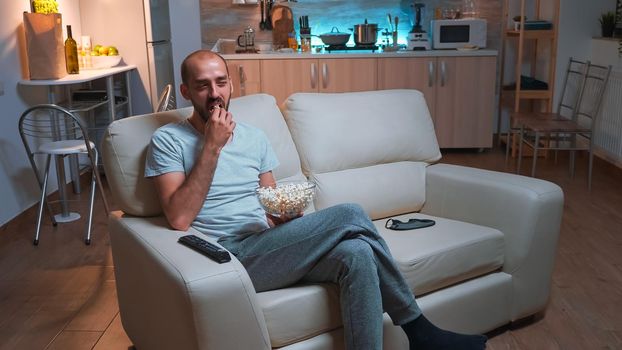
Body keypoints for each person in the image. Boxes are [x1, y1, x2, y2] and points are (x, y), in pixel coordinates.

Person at [145, 49, 487, 350]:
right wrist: (212, 147)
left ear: (232, 85)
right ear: (187, 91)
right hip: (227, 256)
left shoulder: (254, 137)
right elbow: (179, 218)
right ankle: (420, 330)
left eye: (221, 82)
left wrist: (283, 216)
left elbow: (270, 201)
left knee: (357, 251)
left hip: (266, 243)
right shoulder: (168, 140)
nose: (215, 94)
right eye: (203, 85)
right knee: (351, 213)